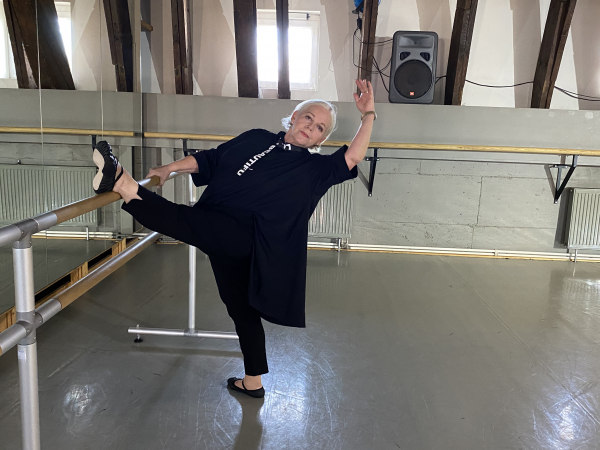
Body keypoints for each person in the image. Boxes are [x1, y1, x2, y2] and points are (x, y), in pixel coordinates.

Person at [92, 80, 376, 398]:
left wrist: (368, 114)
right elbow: (212, 160)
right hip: (220, 229)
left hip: (250, 239)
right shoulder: (257, 138)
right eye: (309, 117)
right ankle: (253, 382)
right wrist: (171, 168)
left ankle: (122, 183)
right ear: (295, 116)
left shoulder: (316, 169)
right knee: (240, 309)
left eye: (320, 127)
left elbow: (353, 157)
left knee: (185, 221)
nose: (311, 127)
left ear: (321, 139)